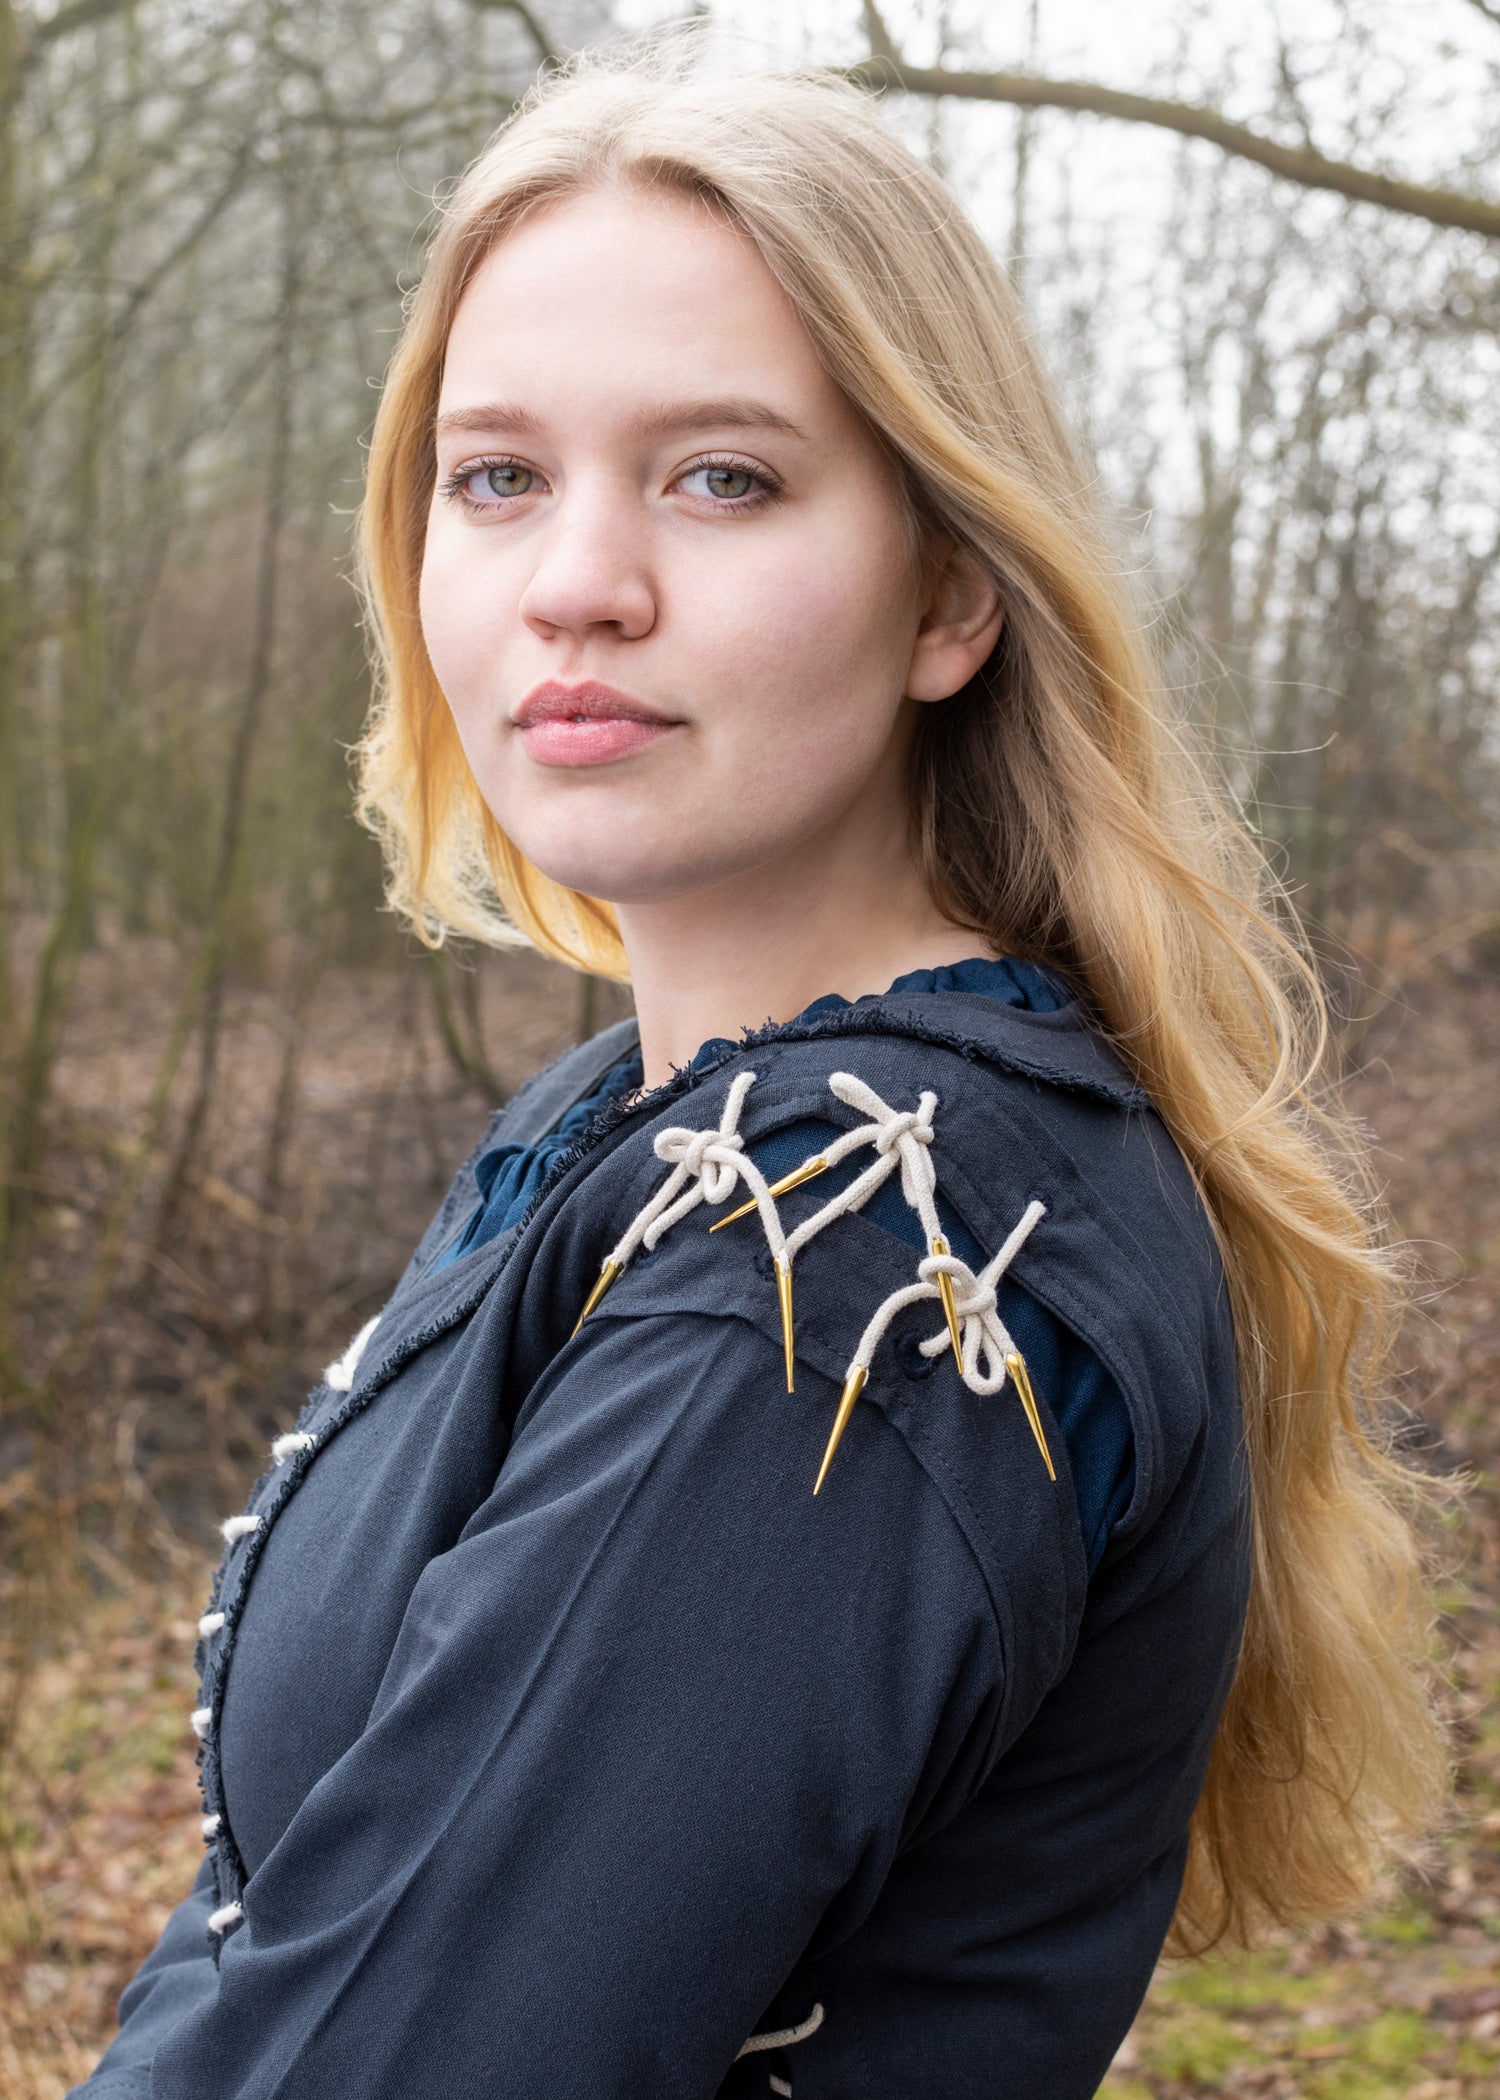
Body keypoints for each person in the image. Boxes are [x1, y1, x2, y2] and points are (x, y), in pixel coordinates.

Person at [73, 46, 1446, 2100]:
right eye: (498, 476)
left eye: (722, 476)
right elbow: (291, 1921)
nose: (577, 584)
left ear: (953, 592)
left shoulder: (859, 1240)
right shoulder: (604, 1131)